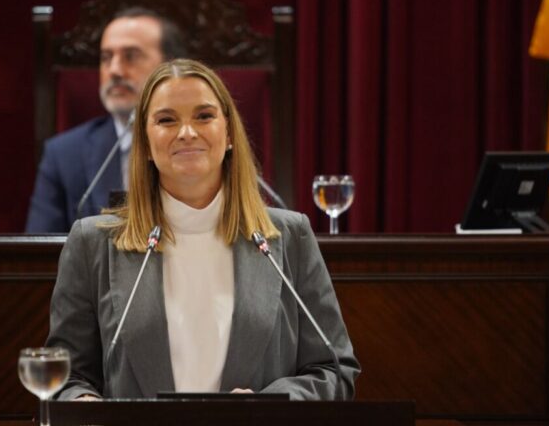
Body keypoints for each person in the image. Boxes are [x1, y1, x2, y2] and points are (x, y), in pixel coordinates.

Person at [46, 59, 360, 400]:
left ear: (228, 134)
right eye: (167, 120)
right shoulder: (91, 243)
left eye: (203, 116)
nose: (187, 133)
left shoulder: (290, 236)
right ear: (146, 144)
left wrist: (267, 405)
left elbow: (334, 369)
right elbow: (66, 376)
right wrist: (83, 404)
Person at [25, 7, 186, 233]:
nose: (115, 70)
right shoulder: (63, 155)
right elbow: (36, 258)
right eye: (106, 58)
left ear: (170, 66)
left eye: (131, 56)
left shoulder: (201, 143)